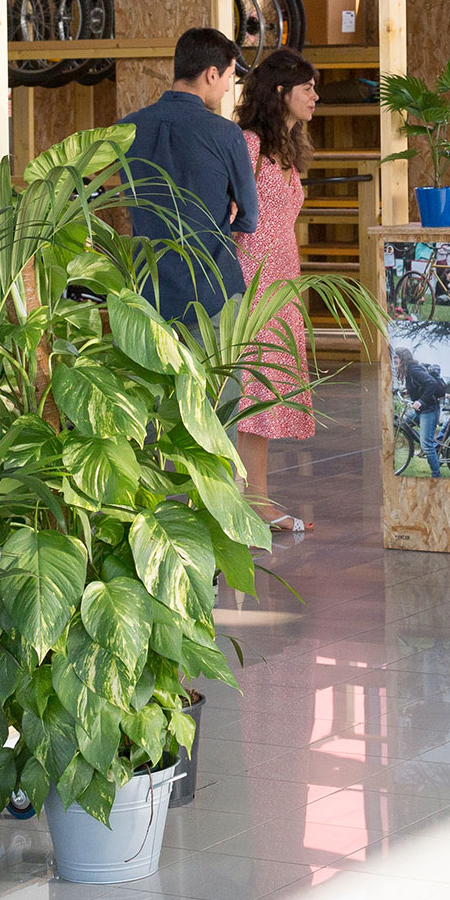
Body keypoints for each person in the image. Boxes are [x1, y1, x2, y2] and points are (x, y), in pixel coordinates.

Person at [231, 48, 319, 533]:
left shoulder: (286, 149)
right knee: (251, 392)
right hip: (253, 281)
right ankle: (251, 501)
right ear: (281, 92)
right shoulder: (247, 144)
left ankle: (255, 498)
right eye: (307, 87)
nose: (315, 96)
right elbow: (229, 216)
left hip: (282, 279)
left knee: (264, 393)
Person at [118, 28, 258, 326]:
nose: (226, 89)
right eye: (229, 78)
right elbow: (248, 219)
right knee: (219, 374)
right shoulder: (225, 134)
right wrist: (226, 204)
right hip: (213, 297)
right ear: (211, 74)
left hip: (147, 299)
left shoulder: (127, 129)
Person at [397, 347, 447, 477]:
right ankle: (427, 447)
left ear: (403, 358)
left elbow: (431, 383)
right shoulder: (409, 371)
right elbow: (421, 385)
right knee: (403, 424)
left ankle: (436, 475)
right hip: (421, 410)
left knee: (427, 445)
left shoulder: (414, 370)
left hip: (429, 410)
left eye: (396, 357)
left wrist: (421, 401)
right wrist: (409, 392)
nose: (394, 360)